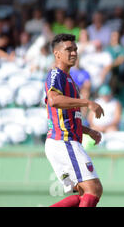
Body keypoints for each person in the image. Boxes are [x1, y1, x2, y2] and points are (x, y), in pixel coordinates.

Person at [44, 33, 105, 207]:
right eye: (68, 49)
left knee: (85, 193)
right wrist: (87, 101)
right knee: (94, 189)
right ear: (57, 54)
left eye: (75, 49)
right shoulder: (57, 74)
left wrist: (88, 130)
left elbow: (68, 115)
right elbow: (54, 100)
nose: (73, 53)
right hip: (63, 141)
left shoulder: (70, 79)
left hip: (66, 141)